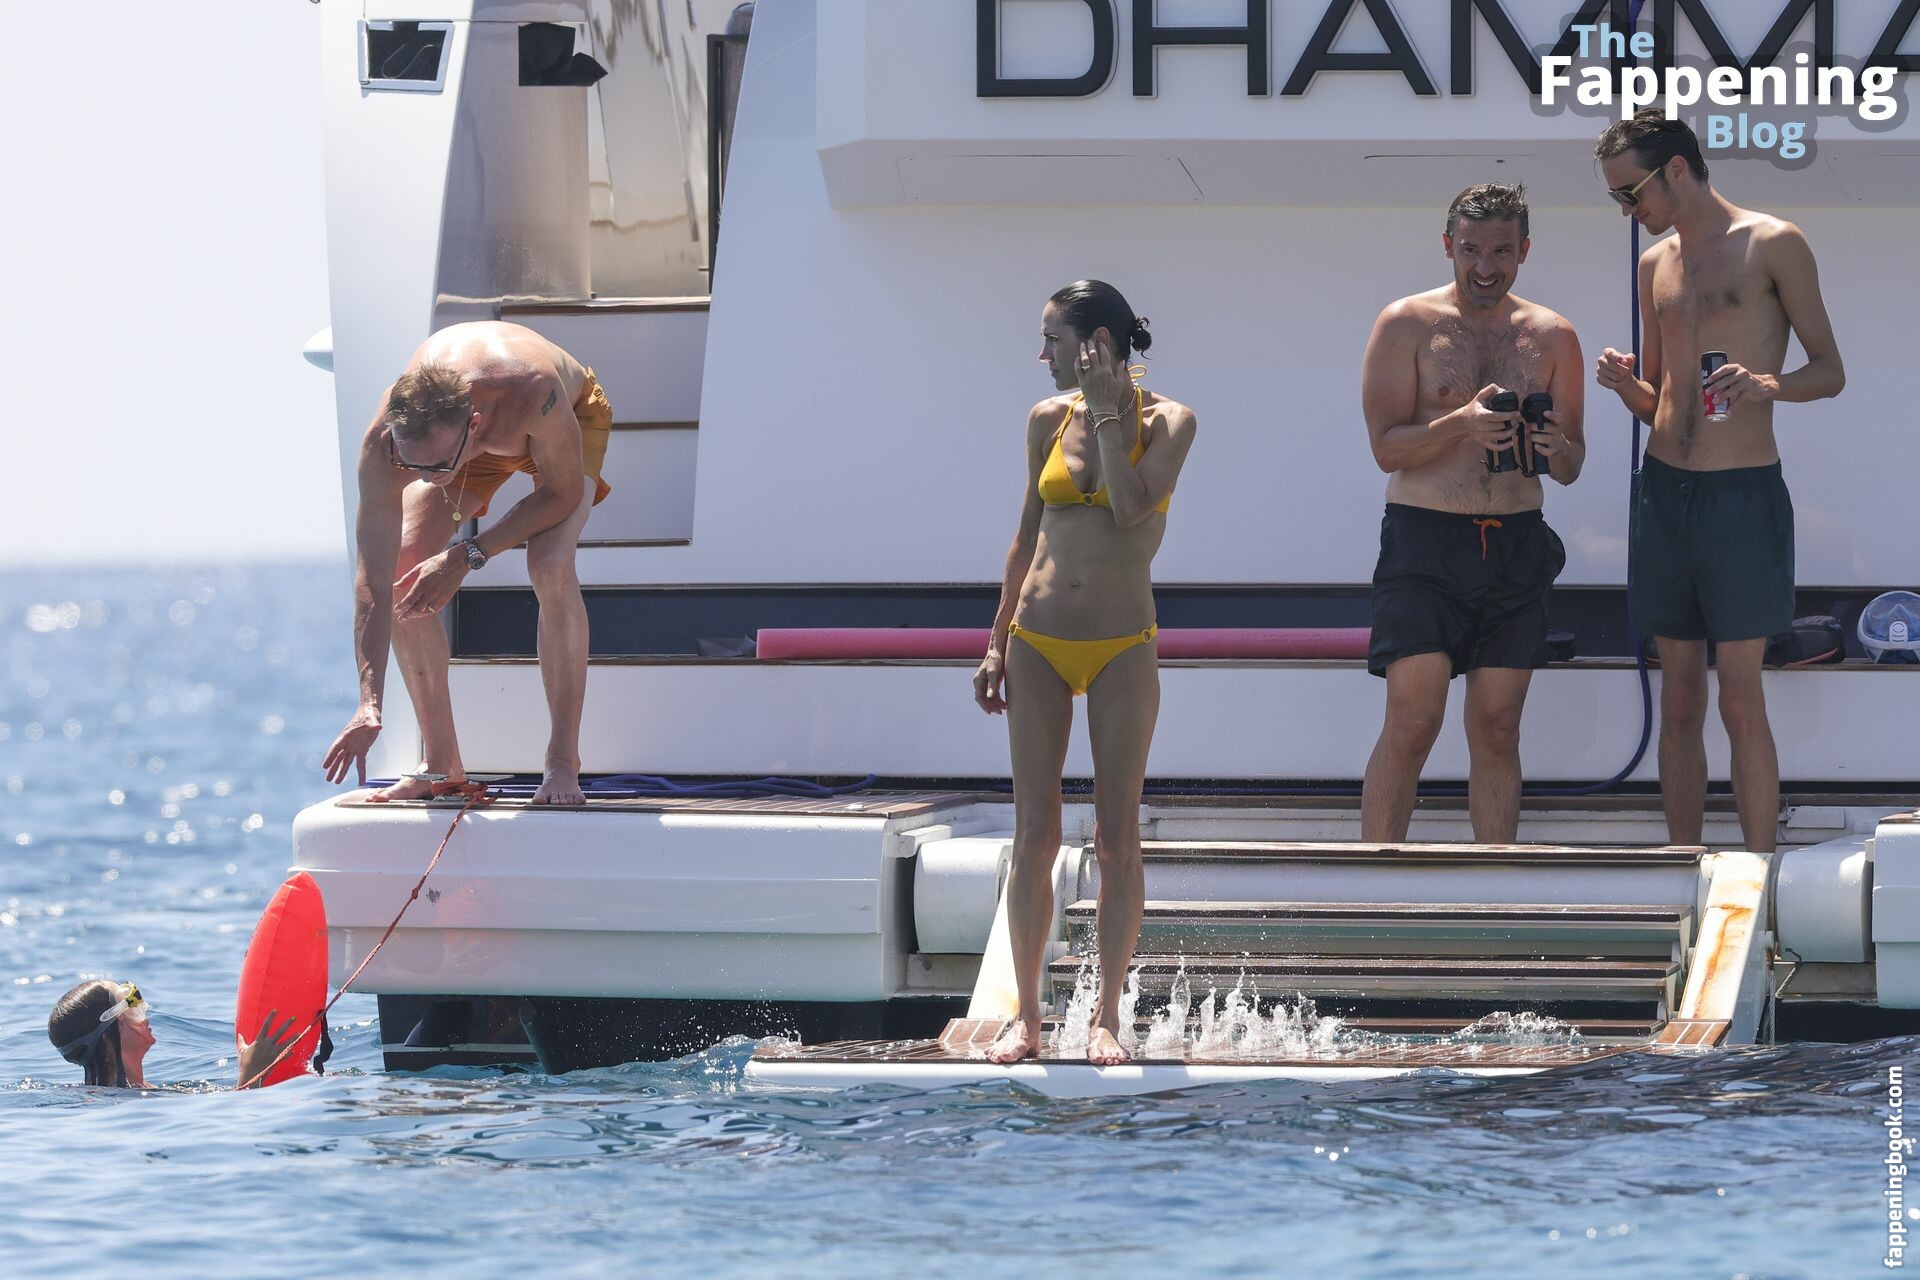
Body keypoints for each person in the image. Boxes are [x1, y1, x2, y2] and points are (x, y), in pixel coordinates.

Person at [1593, 110, 1844, 855]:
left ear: (1676, 169)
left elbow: (1830, 370)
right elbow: (1660, 401)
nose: (1626, 210)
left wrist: (1768, 384)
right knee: (1678, 697)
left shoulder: (1773, 242)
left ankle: (1759, 872)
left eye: (1630, 192)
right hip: (1664, 493)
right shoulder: (1654, 263)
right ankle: (1682, 868)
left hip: (1742, 494)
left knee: (1739, 695)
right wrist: (1625, 388)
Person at [972, 281, 1198, 1065]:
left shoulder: (1171, 421)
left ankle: (1104, 1017)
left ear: (1096, 343)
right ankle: (1028, 1020)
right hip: (1037, 639)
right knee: (1033, 836)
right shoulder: (1045, 419)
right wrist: (995, 641)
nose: (1043, 355)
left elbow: (1131, 508)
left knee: (1115, 839)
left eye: (1053, 340)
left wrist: (1105, 411)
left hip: (1120, 643)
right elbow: (1024, 537)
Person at [1359, 183, 1586, 843]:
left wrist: (1556, 447)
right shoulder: (1406, 323)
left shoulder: (1552, 335)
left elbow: (1572, 465)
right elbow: (1386, 449)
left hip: (1515, 543)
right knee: (1413, 721)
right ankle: (1372, 879)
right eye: (1471, 250)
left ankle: (1496, 882)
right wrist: (1461, 423)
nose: (1485, 267)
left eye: (1500, 252)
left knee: (1498, 726)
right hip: (1425, 541)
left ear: (1523, 251)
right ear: (1448, 246)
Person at [322, 322, 616, 806]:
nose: (423, 479)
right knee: (404, 570)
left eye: (433, 468)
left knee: (549, 563)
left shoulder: (532, 389)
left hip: (565, 423)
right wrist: (368, 702)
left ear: (473, 425)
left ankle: (563, 761)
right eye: (410, 465)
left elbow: (560, 495)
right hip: (466, 451)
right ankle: (442, 765)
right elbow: (372, 578)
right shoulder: (386, 443)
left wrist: (466, 556)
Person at [46, 979, 301, 1090]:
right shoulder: (124, 1102)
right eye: (131, 1005)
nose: (144, 1011)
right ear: (107, 1040)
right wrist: (251, 1075)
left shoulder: (142, 1091)